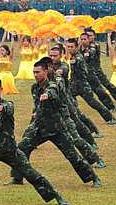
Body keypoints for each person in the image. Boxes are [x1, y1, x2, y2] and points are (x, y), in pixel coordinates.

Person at [0, 77, 69, 205]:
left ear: (1, 90)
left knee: (32, 175)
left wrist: (2, 108)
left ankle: (57, 197)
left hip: (9, 151)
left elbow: (9, 108)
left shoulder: (7, 104)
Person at [7, 59, 102, 188]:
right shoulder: (34, 88)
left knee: (72, 155)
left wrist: (47, 94)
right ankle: (18, 178)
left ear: (46, 71)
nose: (35, 75)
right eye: (34, 72)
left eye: (38, 72)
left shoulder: (54, 84)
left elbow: (53, 89)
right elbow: (37, 106)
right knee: (22, 148)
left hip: (57, 128)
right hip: (40, 127)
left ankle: (94, 178)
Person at [66, 38, 116, 125]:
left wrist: (75, 62)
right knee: (66, 99)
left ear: (77, 48)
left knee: (93, 103)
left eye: (72, 47)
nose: (70, 49)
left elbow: (78, 61)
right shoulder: (73, 56)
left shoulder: (78, 57)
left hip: (82, 86)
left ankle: (111, 117)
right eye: (68, 47)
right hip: (74, 84)